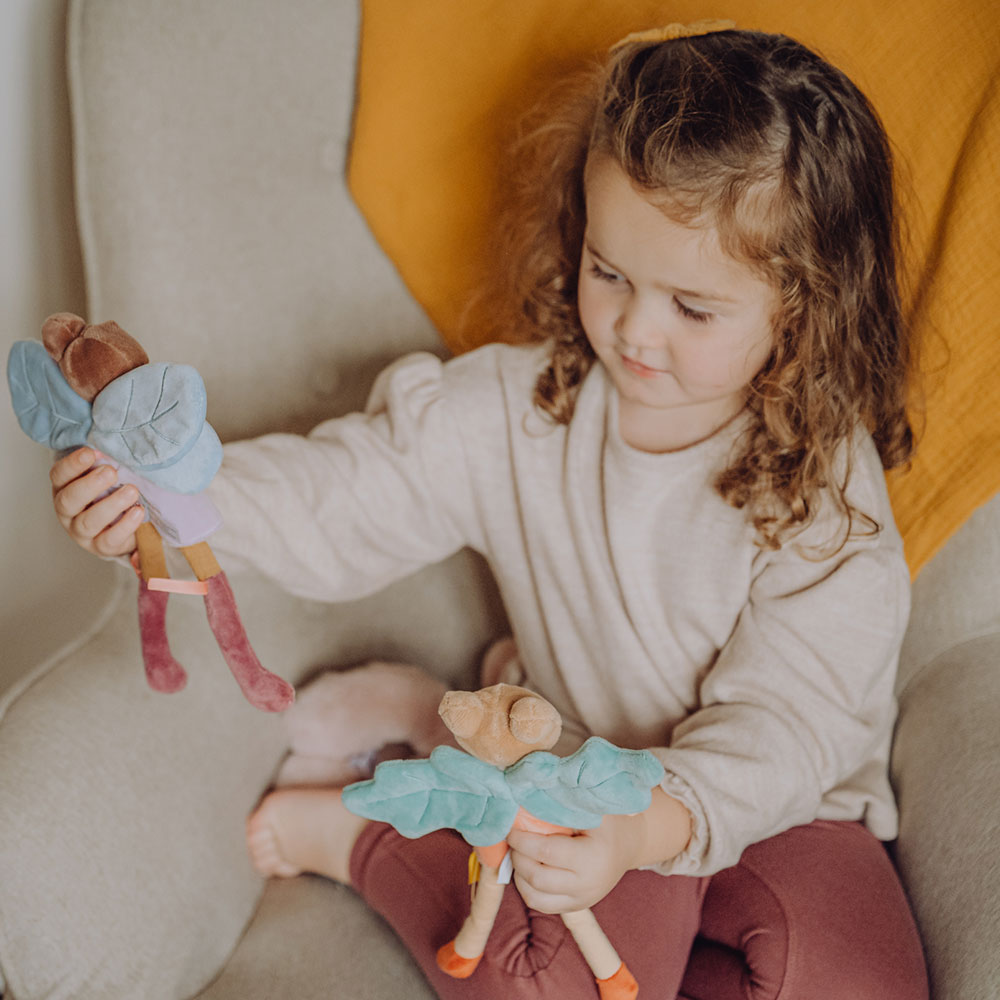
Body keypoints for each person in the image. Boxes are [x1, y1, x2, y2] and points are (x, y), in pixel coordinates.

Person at [49, 22, 929, 1000]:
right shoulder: (519, 408)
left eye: (691, 306)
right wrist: (162, 501)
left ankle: (438, 731)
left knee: (848, 984)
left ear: (802, 310)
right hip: (578, 778)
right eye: (609, 272)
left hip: (780, 805)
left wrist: (650, 826)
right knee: (550, 984)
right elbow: (343, 497)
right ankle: (368, 837)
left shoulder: (822, 484)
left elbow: (789, 724)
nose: (635, 329)